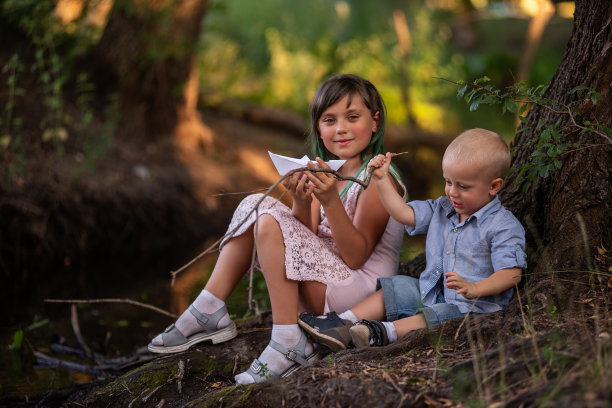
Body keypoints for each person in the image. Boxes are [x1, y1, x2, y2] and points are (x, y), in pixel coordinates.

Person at [147, 74, 407, 383]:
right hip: (327, 281)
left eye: (353, 117)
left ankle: (287, 339)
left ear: (375, 122)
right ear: (318, 128)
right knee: (256, 202)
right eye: (329, 120)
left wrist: (330, 202)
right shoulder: (324, 171)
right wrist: (300, 199)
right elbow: (304, 234)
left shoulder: (377, 178)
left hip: (358, 294)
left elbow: (355, 257)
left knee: (269, 218)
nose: (341, 129)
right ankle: (209, 307)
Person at [298, 128, 527, 350]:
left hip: (472, 310)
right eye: (448, 182)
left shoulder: (502, 226)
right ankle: (340, 323)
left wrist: (476, 288)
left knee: (439, 316)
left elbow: (512, 273)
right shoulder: (442, 209)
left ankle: (381, 333)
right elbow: (403, 213)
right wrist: (381, 180)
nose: (452, 192)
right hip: (434, 296)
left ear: (494, 186)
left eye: (463, 186)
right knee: (399, 286)